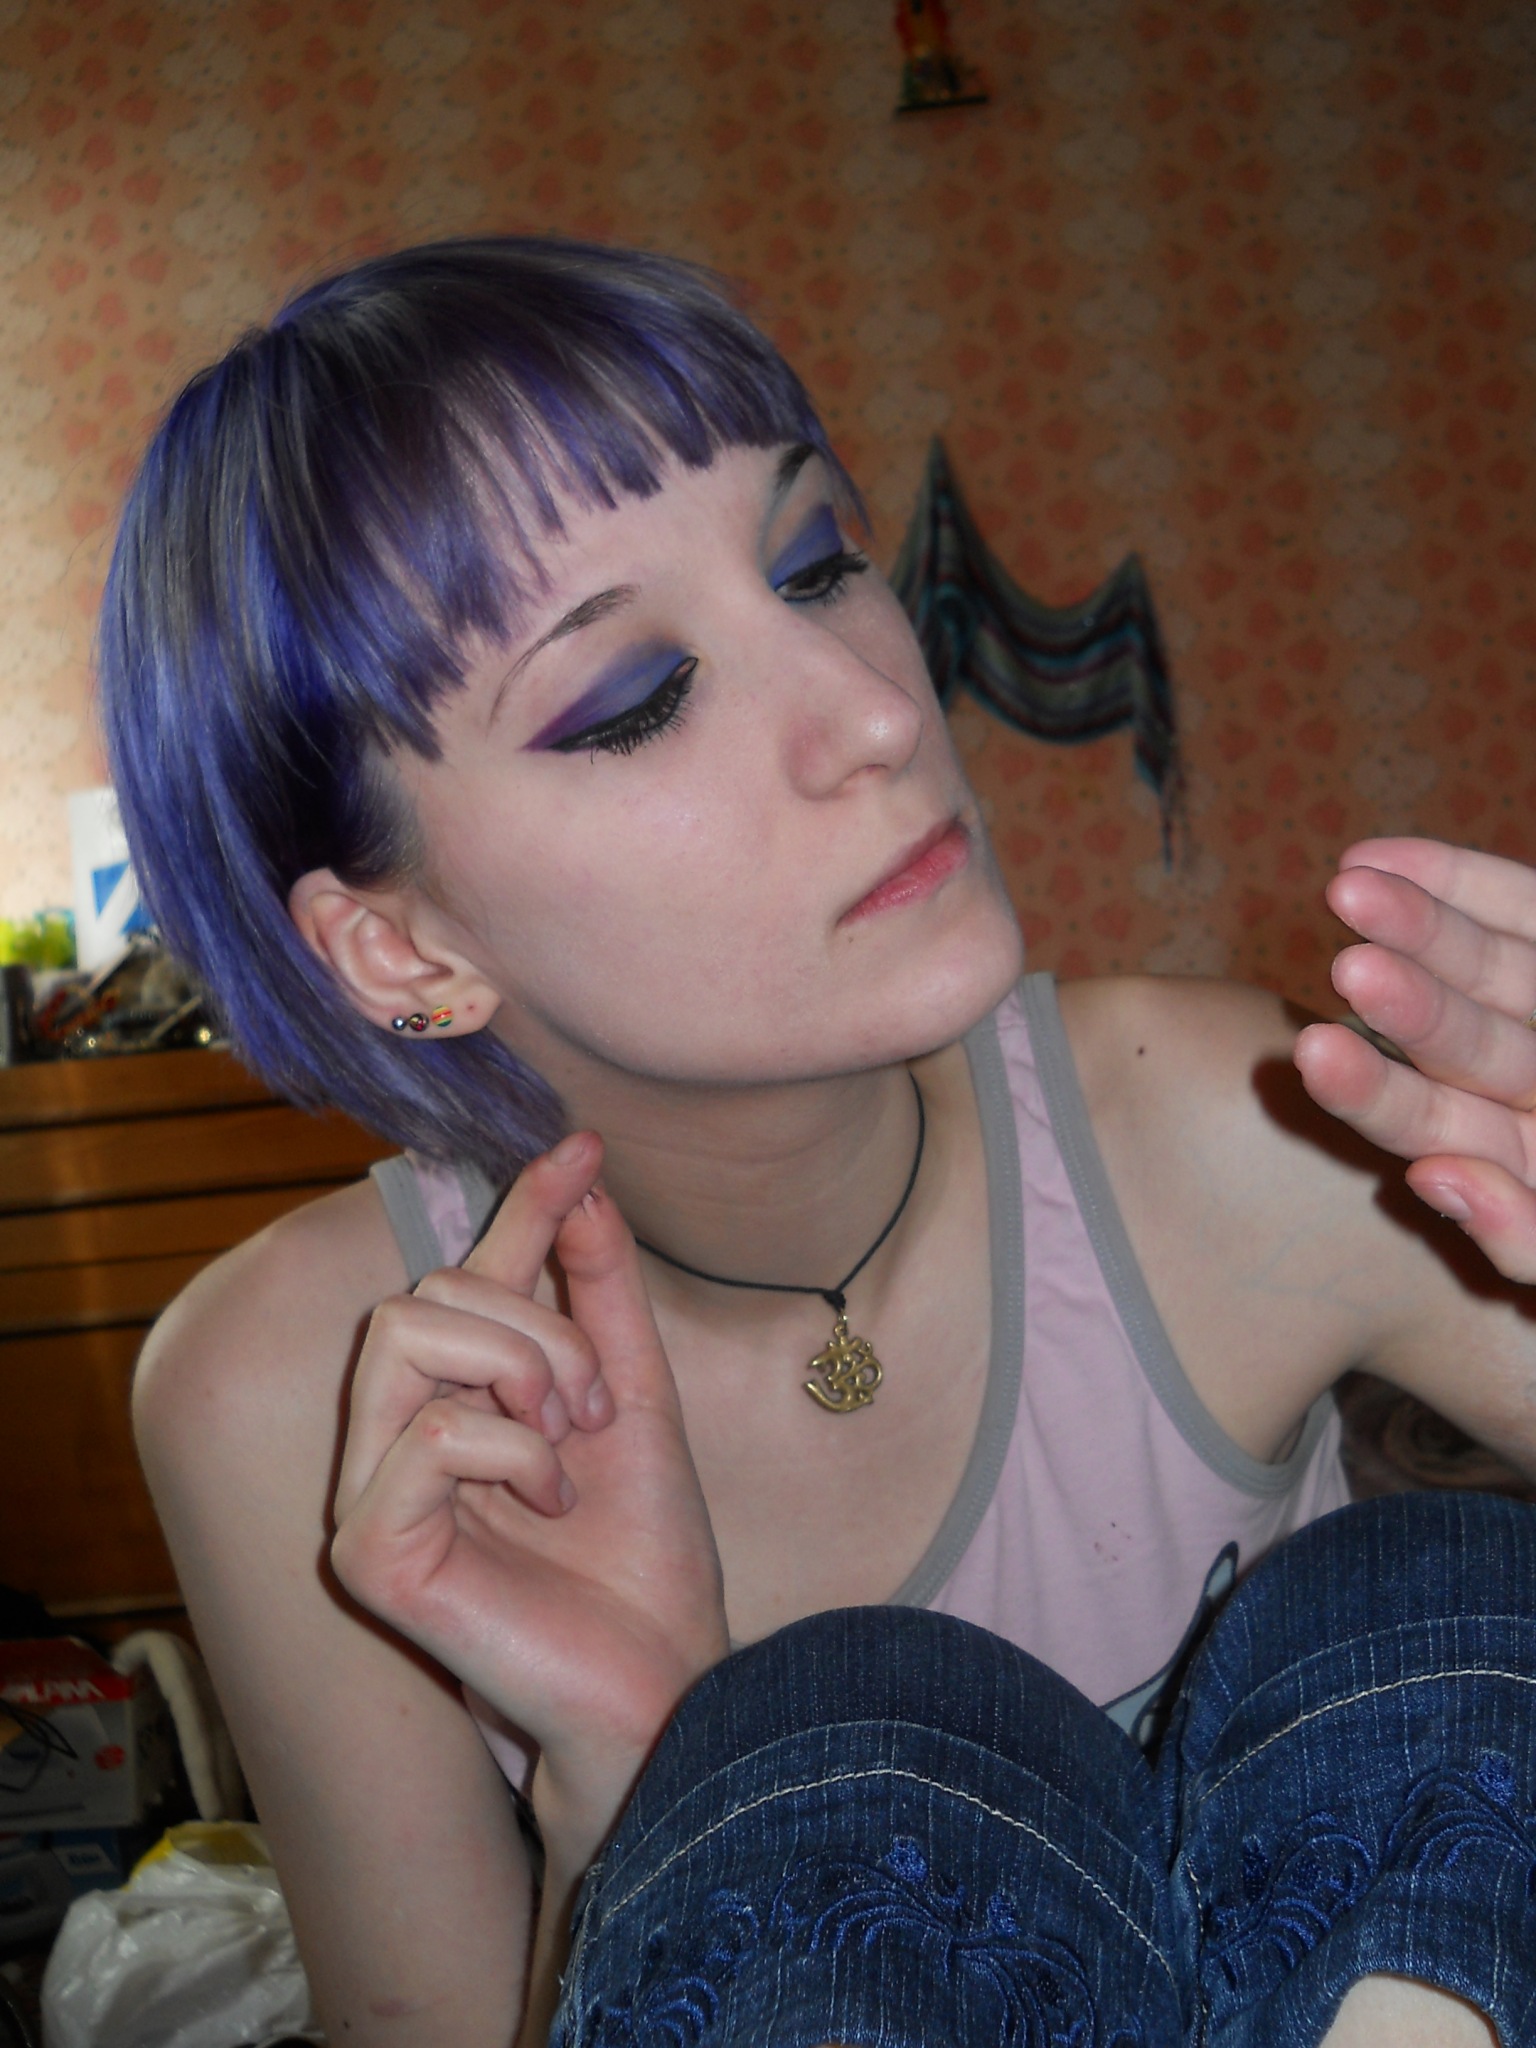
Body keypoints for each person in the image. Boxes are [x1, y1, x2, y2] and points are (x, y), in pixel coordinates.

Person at [99, 237, 1536, 2048]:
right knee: (811, 1760)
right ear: (402, 949)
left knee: (1430, 1610)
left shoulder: (1246, 1119)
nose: (879, 712)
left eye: (817, 564)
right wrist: (630, 1789)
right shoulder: (285, 1401)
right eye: (634, 700)